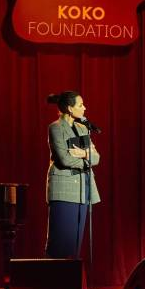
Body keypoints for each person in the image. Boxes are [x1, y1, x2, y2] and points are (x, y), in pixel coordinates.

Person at [45, 91, 100, 258]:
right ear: (70, 108)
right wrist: (86, 155)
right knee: (60, 240)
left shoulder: (83, 128)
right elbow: (64, 159)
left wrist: (82, 154)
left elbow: (96, 158)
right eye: (80, 105)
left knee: (75, 242)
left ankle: (71, 281)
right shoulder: (55, 127)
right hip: (63, 188)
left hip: (83, 188)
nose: (85, 108)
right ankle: (53, 281)